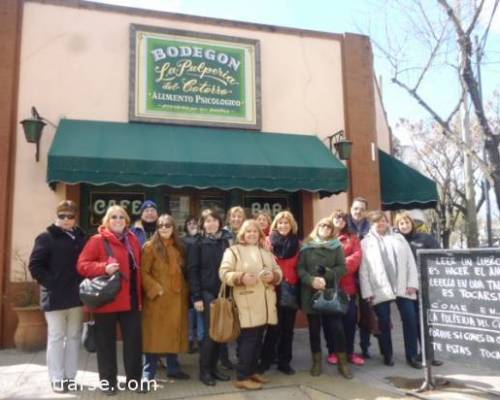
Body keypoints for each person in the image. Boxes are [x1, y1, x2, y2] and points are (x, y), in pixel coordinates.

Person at [78, 205, 144, 395]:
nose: (117, 220)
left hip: (131, 300)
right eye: (113, 217)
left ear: (127, 221)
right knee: (106, 345)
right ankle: (108, 383)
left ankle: (134, 381)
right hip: (107, 301)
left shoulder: (132, 239)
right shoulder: (97, 240)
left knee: (134, 344)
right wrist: (103, 268)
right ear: (107, 220)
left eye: (121, 217)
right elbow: (82, 265)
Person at [28, 200, 87, 393]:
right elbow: (35, 265)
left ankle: (70, 377)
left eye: (70, 216)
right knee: (56, 337)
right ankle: (57, 378)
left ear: (75, 217)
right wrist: (51, 283)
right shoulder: (46, 237)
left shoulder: (81, 237)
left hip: (77, 297)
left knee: (73, 337)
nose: (66, 220)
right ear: (57, 216)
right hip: (55, 297)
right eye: (62, 216)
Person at [219, 219, 282, 390]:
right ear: (242, 234)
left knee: (257, 339)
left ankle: (252, 371)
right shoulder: (233, 251)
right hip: (246, 302)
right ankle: (242, 376)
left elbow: (278, 271)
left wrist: (274, 276)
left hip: (265, 304)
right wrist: (241, 277)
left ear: (260, 234)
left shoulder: (266, 252)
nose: (252, 234)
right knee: (249, 340)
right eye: (248, 231)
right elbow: (224, 273)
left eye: (255, 231)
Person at [359, 210, 421, 369]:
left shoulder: (399, 238)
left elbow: (410, 263)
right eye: (377, 221)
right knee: (384, 323)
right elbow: (363, 270)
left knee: (410, 320)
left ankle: (412, 356)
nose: (381, 223)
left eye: (384, 220)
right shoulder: (365, 242)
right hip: (380, 288)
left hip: (403, 287)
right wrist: (367, 292)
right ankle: (387, 354)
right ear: (372, 224)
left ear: (388, 222)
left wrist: (413, 283)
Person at [298, 217, 353, 379]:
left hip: (330, 294)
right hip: (310, 294)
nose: (326, 229)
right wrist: (312, 280)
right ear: (317, 227)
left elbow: (343, 268)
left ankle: (343, 363)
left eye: (329, 227)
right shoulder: (306, 246)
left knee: (337, 328)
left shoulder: (336, 247)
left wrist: (327, 273)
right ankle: (316, 362)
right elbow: (300, 270)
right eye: (323, 225)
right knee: (314, 330)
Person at [141, 214, 190, 382]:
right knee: (154, 337)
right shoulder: (149, 247)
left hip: (177, 299)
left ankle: (173, 368)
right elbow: (143, 273)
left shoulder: (179, 247)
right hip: (158, 301)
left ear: (173, 228)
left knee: (173, 334)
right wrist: (156, 289)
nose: (163, 228)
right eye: (160, 225)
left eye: (167, 225)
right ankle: (148, 373)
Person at [187, 209, 232, 386]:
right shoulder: (196, 243)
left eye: (214, 220)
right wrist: (196, 297)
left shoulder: (224, 242)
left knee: (220, 333)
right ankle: (204, 371)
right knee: (210, 334)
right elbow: (192, 271)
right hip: (205, 293)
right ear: (202, 224)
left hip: (223, 293)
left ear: (219, 223)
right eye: (207, 221)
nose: (211, 224)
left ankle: (214, 368)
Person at [394, 211, 443, 367]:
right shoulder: (395, 241)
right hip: (405, 289)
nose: (404, 225)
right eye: (401, 223)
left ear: (412, 223)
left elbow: (438, 258)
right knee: (410, 320)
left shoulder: (425, 238)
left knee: (425, 321)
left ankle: (429, 354)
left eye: (406, 222)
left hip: (423, 286)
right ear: (397, 226)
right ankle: (412, 356)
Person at [259, 211, 300, 375]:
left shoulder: (298, 243)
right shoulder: (267, 241)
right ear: (275, 225)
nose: (283, 225)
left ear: (292, 225)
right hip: (272, 289)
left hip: (290, 289)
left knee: (288, 330)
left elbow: (300, 267)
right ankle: (266, 360)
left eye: (287, 223)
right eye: (280, 223)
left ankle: (285, 362)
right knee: (272, 328)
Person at [324, 210, 364, 366]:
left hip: (348, 288)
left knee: (349, 321)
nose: (340, 220)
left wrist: (337, 268)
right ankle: (333, 351)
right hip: (329, 288)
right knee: (331, 323)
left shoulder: (352, 238)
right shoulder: (324, 237)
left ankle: (349, 352)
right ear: (331, 219)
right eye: (337, 217)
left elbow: (356, 257)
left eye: (343, 218)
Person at [347, 197, 378, 359]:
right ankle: (348, 349)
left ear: (365, 211)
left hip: (367, 275)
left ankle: (365, 346)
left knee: (367, 312)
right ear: (350, 208)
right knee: (350, 315)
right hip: (349, 276)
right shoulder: (344, 225)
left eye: (361, 209)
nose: (358, 211)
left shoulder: (371, 228)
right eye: (355, 208)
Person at [219, 205, 246, 369]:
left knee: (243, 322)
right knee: (224, 321)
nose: (236, 219)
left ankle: (242, 356)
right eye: (233, 216)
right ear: (229, 218)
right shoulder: (222, 234)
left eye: (239, 216)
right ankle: (224, 359)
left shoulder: (248, 232)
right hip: (226, 282)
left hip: (244, 284)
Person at [183, 216, 204, 354]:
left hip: (201, 280)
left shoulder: (203, 240)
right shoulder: (182, 241)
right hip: (185, 280)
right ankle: (190, 340)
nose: (192, 225)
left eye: (194, 223)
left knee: (200, 313)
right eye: (189, 223)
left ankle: (201, 340)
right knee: (190, 313)